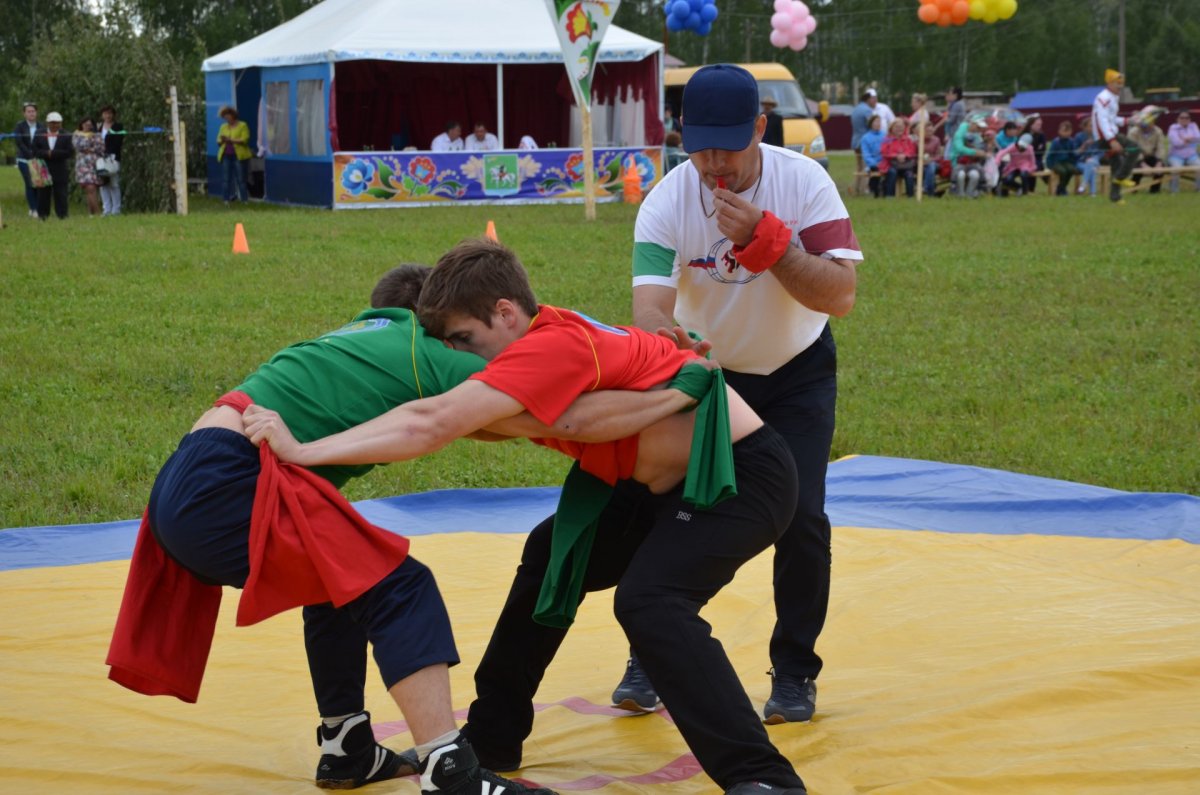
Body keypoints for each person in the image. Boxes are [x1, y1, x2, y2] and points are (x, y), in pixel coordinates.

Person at [245, 238, 813, 795]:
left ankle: (761, 776)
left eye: (465, 339)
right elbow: (503, 417)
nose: (460, 357)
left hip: (737, 476)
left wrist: (302, 451)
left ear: (506, 312)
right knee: (551, 556)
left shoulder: (547, 349)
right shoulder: (546, 335)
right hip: (650, 483)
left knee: (650, 602)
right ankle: (492, 739)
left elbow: (439, 423)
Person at [107, 265, 614, 795]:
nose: (466, 347)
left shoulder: (359, 337)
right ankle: (450, 773)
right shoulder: (425, 346)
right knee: (401, 586)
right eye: (460, 335)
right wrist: (665, 390)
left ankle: (346, 748)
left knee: (338, 584)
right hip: (227, 484)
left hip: (189, 477)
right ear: (432, 323)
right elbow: (549, 412)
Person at [627, 62, 862, 726]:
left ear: (761, 127)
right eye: (700, 145)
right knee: (667, 505)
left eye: (729, 144)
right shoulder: (668, 199)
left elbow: (840, 295)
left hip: (796, 371)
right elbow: (649, 308)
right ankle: (652, 647)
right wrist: (674, 345)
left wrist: (767, 242)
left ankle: (794, 673)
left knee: (803, 517)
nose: (714, 162)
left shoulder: (804, 182)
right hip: (715, 375)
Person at [1092, 69, 1140, 203]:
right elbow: (1102, 120)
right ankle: (1121, 177)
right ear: (1110, 83)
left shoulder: (1113, 97)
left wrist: (1128, 120)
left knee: (1116, 163)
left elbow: (1111, 118)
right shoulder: (1104, 98)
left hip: (1109, 133)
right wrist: (1112, 140)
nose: (1121, 85)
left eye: (1122, 82)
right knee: (1135, 148)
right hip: (1106, 136)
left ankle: (1115, 197)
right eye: (1117, 82)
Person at [34, 111, 73, 220]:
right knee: (43, 193)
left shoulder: (66, 135)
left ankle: (62, 215)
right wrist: (46, 153)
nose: (54, 125)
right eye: (52, 123)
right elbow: (35, 150)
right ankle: (42, 215)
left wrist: (53, 153)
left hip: (60, 168)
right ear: (47, 123)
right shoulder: (39, 133)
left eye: (57, 123)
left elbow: (69, 152)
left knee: (61, 193)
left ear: (61, 123)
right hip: (43, 167)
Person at [13, 102, 44, 219]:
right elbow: (19, 142)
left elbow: (43, 142)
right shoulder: (19, 126)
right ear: (24, 113)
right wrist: (30, 154)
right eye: (29, 111)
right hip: (24, 159)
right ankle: (34, 209)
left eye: (33, 111)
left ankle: (35, 207)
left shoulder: (41, 126)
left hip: (38, 159)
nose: (31, 113)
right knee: (29, 183)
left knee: (38, 183)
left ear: (36, 113)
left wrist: (37, 154)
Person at [216, 106, 251, 205]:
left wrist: (231, 140)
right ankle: (226, 200)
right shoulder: (223, 127)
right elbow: (218, 141)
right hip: (226, 155)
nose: (226, 120)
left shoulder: (243, 125)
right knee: (226, 179)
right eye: (225, 118)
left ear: (233, 116)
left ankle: (244, 200)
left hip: (238, 156)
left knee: (241, 179)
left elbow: (245, 139)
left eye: (228, 117)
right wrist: (222, 140)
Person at [1128, 108, 1167, 194]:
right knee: (1138, 170)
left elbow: (1161, 147)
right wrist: (1143, 164)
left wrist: (1159, 162)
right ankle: (1133, 191)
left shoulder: (1158, 131)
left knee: (1161, 168)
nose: (1147, 125)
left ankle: (1154, 191)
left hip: (1151, 156)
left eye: (1150, 122)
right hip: (1136, 158)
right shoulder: (1133, 132)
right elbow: (1133, 150)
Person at [947, 117, 987, 198]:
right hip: (958, 161)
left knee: (976, 173)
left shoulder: (977, 135)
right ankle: (957, 191)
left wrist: (982, 152)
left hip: (971, 162)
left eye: (981, 128)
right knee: (960, 173)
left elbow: (980, 147)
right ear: (972, 124)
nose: (979, 129)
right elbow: (959, 148)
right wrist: (974, 152)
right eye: (978, 127)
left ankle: (971, 193)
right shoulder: (959, 133)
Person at [73, 117, 105, 217]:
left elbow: (101, 147)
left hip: (94, 165)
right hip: (82, 165)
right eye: (85, 124)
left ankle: (91, 213)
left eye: (89, 124)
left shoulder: (97, 134)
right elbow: (78, 146)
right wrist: (91, 145)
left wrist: (89, 148)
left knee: (92, 188)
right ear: (81, 124)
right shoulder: (76, 134)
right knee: (89, 188)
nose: (87, 126)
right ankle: (97, 213)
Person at [98, 105, 125, 216]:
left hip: (113, 158)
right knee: (103, 184)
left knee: (114, 183)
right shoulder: (99, 127)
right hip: (100, 159)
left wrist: (107, 152)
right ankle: (107, 209)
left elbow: (118, 142)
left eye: (109, 113)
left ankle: (116, 209)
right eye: (105, 113)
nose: (107, 115)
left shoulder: (118, 127)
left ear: (113, 114)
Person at [881, 117, 917, 198]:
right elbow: (884, 152)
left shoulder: (908, 140)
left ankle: (910, 196)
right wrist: (896, 156)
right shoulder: (887, 139)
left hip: (905, 164)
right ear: (892, 128)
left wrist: (905, 155)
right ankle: (890, 196)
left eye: (901, 127)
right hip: (891, 164)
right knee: (892, 172)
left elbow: (912, 152)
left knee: (909, 174)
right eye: (896, 127)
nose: (899, 129)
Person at [1166, 110, 1199, 193]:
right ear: (1177, 119)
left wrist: (1184, 139)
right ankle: (1174, 191)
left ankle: (1198, 189)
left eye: (1187, 118)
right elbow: (1176, 143)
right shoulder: (1173, 127)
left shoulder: (1193, 126)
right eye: (1182, 118)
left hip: (1192, 155)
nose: (1184, 119)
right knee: (1176, 169)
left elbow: (1198, 138)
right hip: (1176, 156)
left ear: (1190, 119)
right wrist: (1190, 139)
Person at [1045, 120, 1081, 196]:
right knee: (1063, 172)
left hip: (1067, 162)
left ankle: (1061, 188)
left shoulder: (1071, 141)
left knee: (1071, 170)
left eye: (1068, 131)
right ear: (1059, 131)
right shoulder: (1056, 142)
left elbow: (1073, 153)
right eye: (1064, 131)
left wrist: (1074, 162)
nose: (1066, 133)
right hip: (1056, 162)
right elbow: (1050, 155)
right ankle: (1061, 189)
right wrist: (1050, 165)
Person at [860, 114, 886, 197]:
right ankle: (875, 191)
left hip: (885, 162)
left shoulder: (885, 135)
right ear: (871, 123)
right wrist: (875, 163)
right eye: (876, 122)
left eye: (879, 122)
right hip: (873, 164)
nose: (878, 124)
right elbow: (866, 154)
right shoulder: (865, 138)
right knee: (875, 170)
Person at [849, 90, 875, 172]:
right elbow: (872, 125)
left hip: (855, 141)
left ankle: (858, 185)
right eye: (873, 99)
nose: (875, 101)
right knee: (865, 168)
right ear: (868, 99)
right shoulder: (867, 110)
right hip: (864, 142)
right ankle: (864, 185)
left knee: (859, 168)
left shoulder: (856, 109)